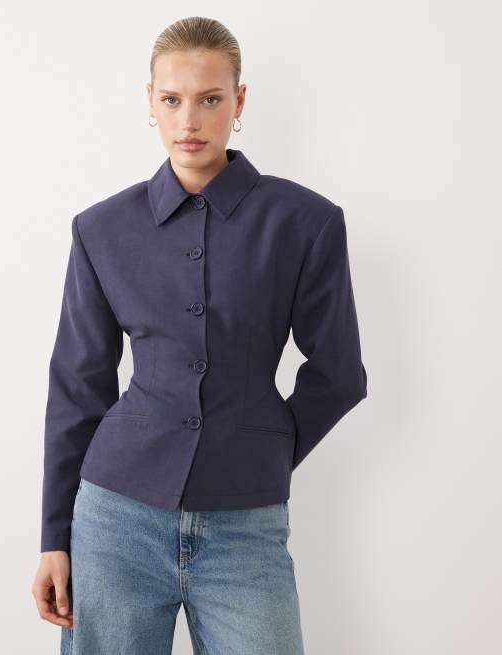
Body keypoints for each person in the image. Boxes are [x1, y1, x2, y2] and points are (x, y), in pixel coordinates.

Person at [31, 15, 367, 655]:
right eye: (172, 99)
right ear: (150, 101)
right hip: (114, 518)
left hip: (247, 525)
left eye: (210, 99)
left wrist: (263, 447)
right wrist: (54, 537)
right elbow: (78, 385)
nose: (189, 120)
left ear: (239, 101)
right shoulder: (102, 229)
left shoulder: (306, 222)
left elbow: (340, 374)